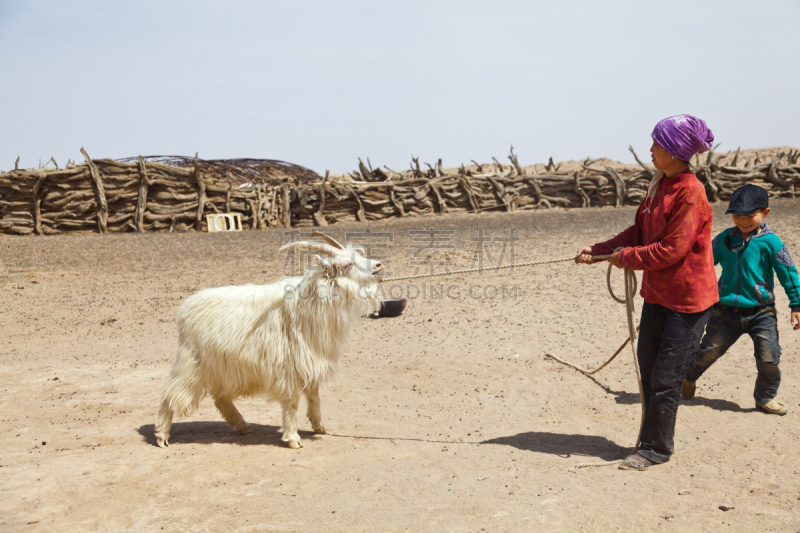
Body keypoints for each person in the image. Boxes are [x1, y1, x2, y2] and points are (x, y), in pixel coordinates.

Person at [575, 114, 718, 471]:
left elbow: (672, 249)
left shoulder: (690, 192)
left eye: (656, 144)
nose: (651, 149)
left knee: (666, 377)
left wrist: (624, 258)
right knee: (649, 368)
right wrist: (600, 251)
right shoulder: (659, 185)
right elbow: (638, 231)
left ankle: (656, 449)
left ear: (673, 150)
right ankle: (650, 439)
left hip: (687, 301)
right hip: (658, 295)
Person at [681, 184, 800, 415]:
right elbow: (703, 262)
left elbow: (789, 271)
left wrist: (797, 304)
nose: (743, 221)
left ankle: (765, 398)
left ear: (765, 213)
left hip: (761, 312)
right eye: (737, 216)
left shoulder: (772, 242)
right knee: (707, 351)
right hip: (725, 311)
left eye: (749, 216)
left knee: (769, 357)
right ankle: (688, 378)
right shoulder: (725, 238)